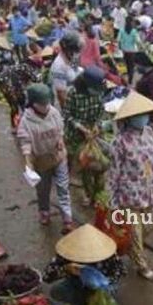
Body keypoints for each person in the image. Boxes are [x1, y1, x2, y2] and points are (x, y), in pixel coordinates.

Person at [107, 92, 153, 280]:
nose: (144, 118)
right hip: (130, 196)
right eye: (140, 115)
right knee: (135, 231)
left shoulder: (149, 132)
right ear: (129, 118)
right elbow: (114, 172)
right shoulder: (119, 141)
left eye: (145, 114)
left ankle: (133, 249)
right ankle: (141, 265)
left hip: (151, 192)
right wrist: (112, 201)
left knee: (150, 226)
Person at [16, 84, 74, 230]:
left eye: (47, 102)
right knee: (43, 189)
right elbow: (25, 142)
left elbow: (60, 128)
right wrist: (28, 161)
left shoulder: (53, 112)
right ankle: (44, 212)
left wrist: (60, 140)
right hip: (41, 160)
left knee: (63, 186)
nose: (45, 106)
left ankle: (67, 218)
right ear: (33, 104)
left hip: (58, 155)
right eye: (42, 104)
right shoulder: (26, 121)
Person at [65, 66, 108, 207]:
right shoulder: (73, 93)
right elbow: (67, 115)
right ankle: (90, 195)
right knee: (86, 167)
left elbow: (102, 112)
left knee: (100, 166)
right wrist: (81, 128)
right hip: (78, 135)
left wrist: (97, 125)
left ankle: (99, 195)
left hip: (94, 134)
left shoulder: (99, 92)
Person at [133, 52, 153, 141]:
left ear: (142, 63)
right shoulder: (148, 75)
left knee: (150, 138)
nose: (136, 68)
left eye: (136, 65)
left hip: (150, 113)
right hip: (146, 110)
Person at [118, 18, 140, 82]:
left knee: (126, 64)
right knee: (131, 66)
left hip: (124, 51)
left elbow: (118, 40)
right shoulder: (134, 31)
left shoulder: (122, 30)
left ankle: (127, 77)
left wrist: (120, 47)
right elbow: (137, 41)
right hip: (132, 51)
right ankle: (130, 78)